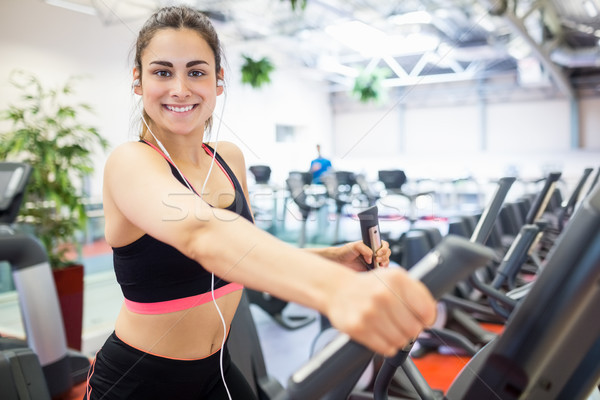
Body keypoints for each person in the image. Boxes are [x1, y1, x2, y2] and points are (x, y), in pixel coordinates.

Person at [84, 5, 436, 399]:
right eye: (162, 71)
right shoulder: (129, 162)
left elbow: (242, 254)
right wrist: (334, 289)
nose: (180, 88)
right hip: (139, 380)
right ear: (138, 80)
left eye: (196, 72)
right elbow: (201, 232)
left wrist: (332, 259)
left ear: (218, 82)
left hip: (217, 369)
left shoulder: (229, 158)